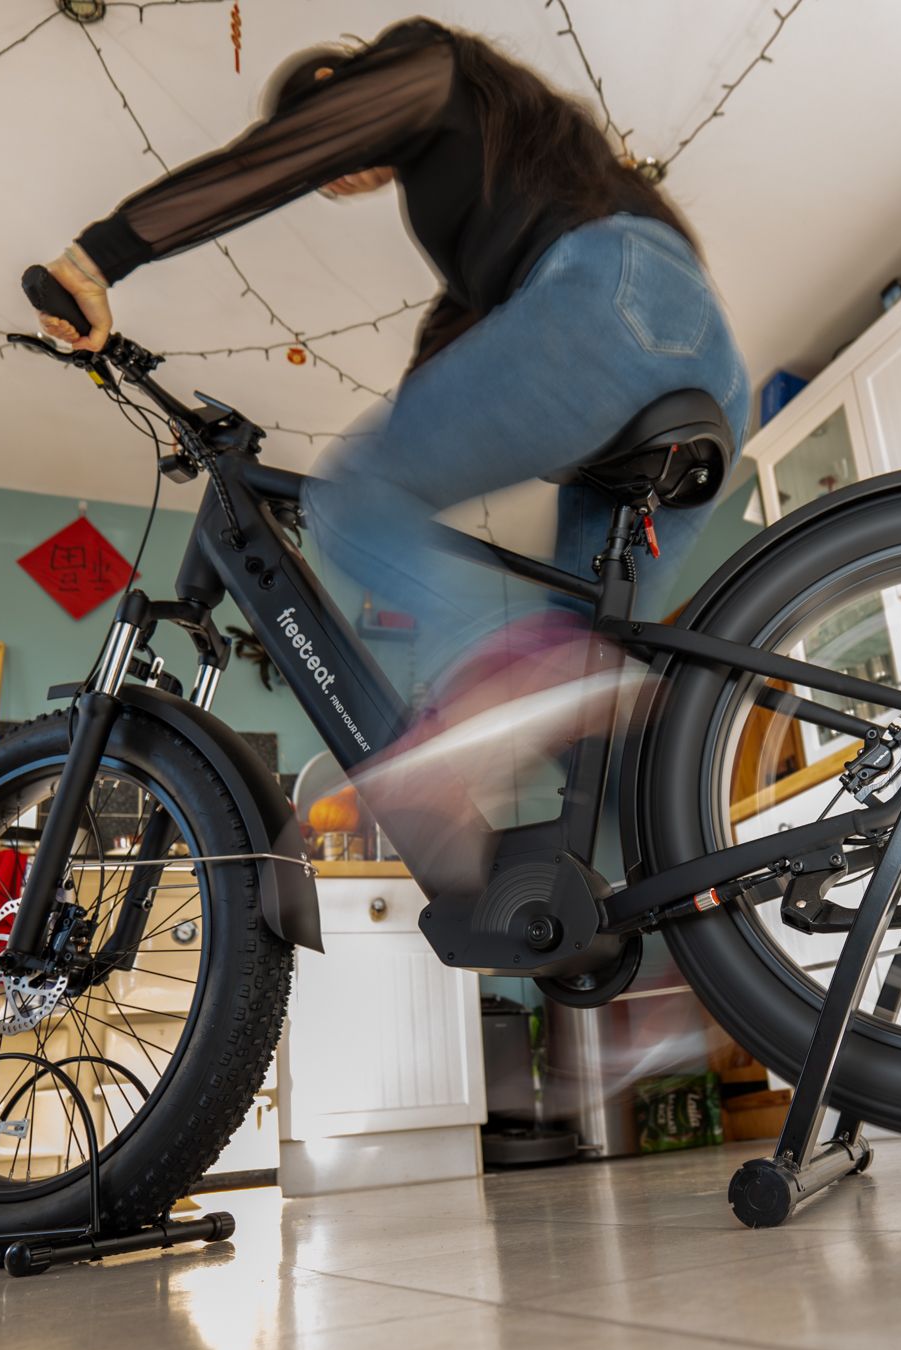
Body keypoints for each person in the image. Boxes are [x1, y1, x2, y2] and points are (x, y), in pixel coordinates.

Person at [39, 17, 749, 880]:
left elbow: (280, 157)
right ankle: (676, 933)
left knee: (355, 500)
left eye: (332, 144)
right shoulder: (498, 213)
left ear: (345, 85)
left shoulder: (433, 66)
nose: (336, 176)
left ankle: (512, 666)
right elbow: (442, 371)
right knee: (584, 703)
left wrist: (99, 256)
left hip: (614, 303)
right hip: (703, 367)